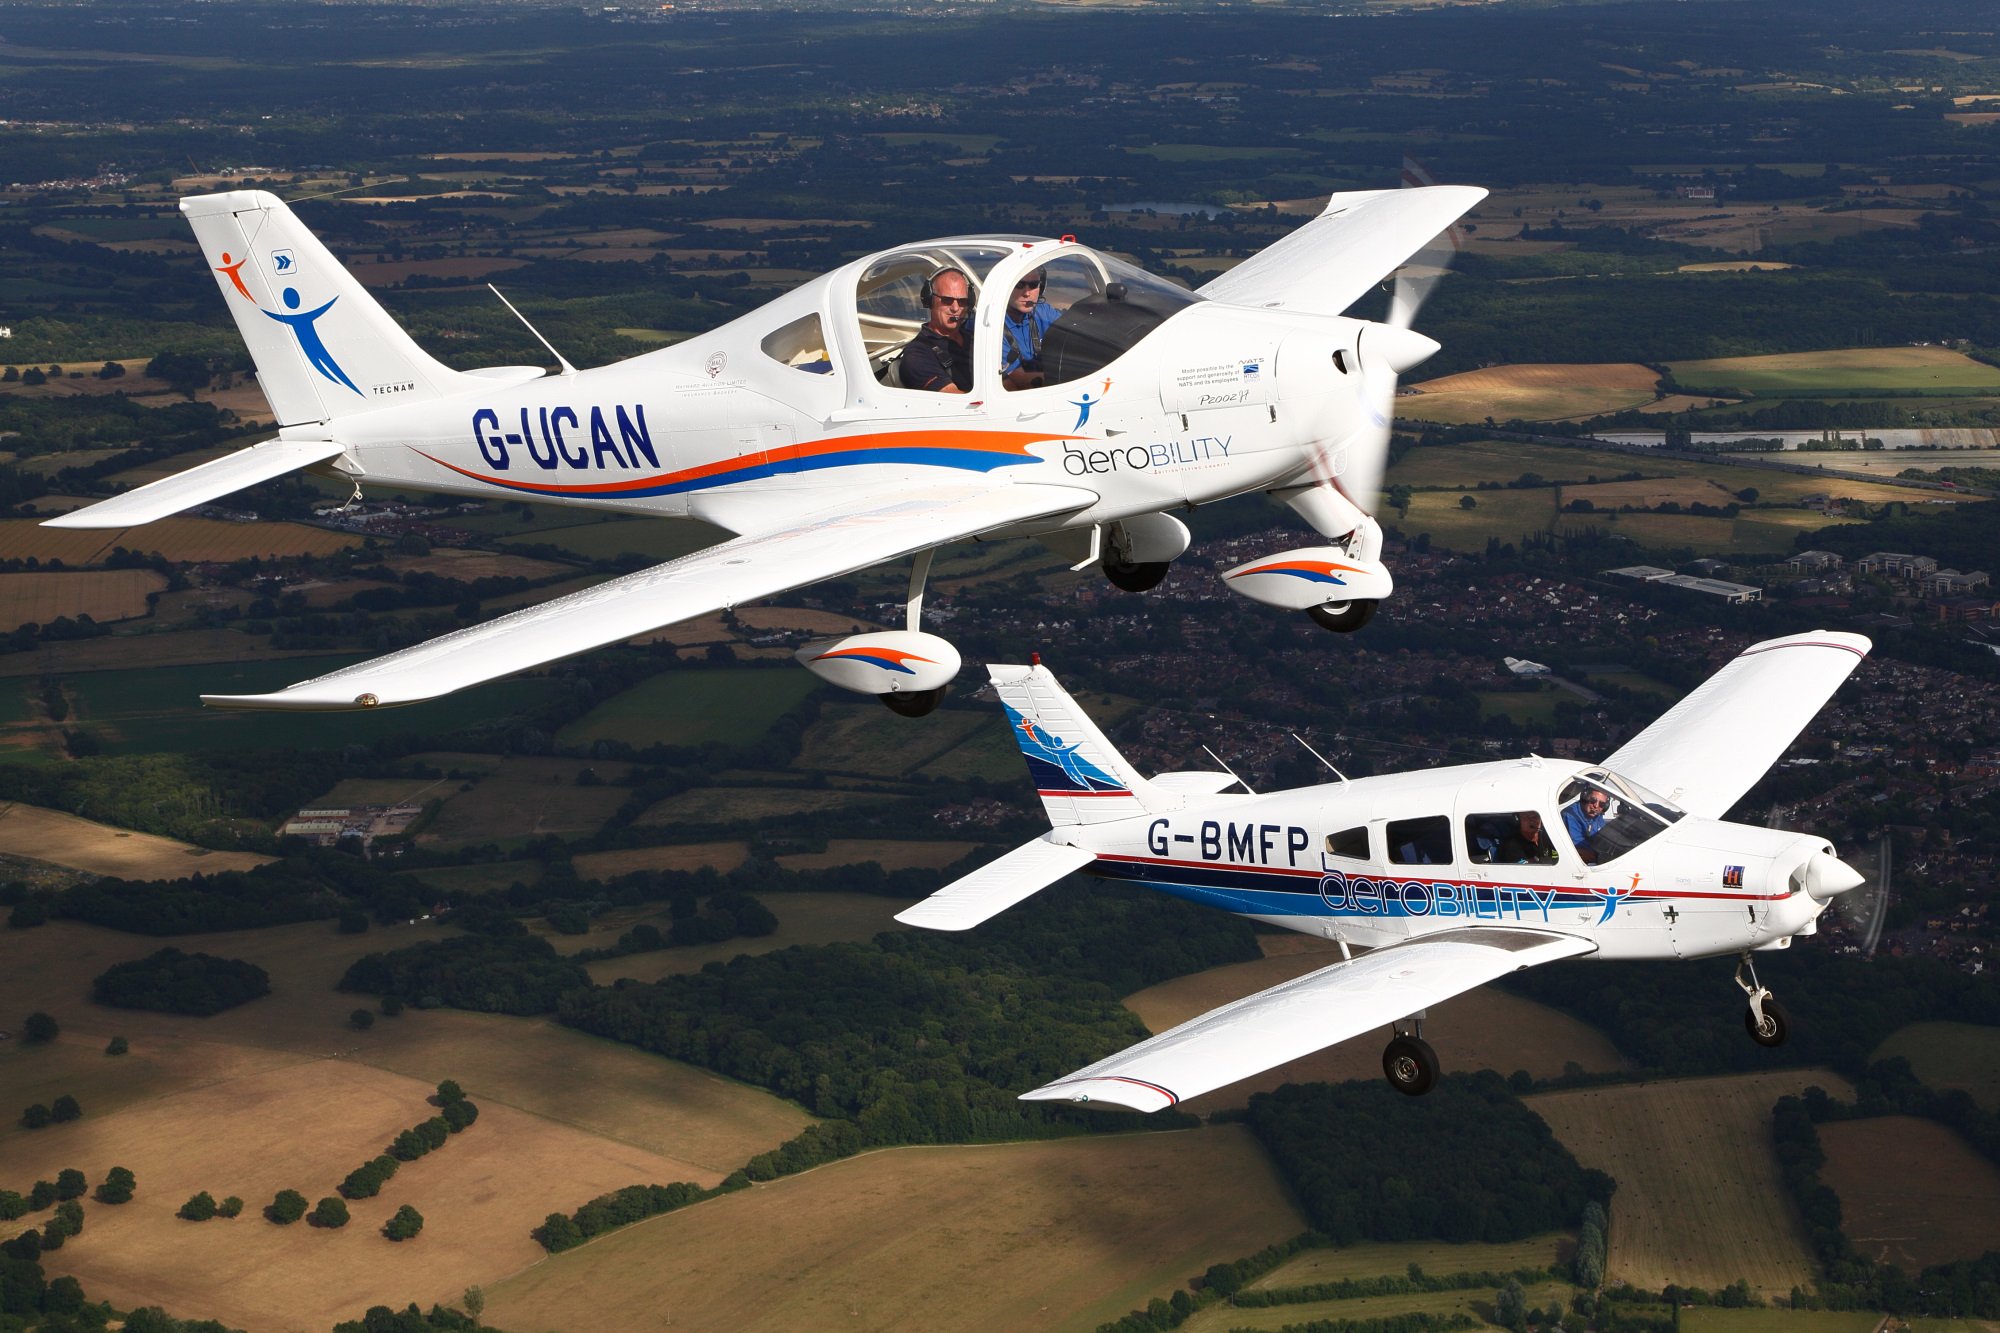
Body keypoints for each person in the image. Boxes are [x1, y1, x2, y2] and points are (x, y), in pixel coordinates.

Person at [899, 267, 975, 393]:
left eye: (962, 302)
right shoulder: (917, 354)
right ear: (929, 300)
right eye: (947, 300)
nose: (956, 308)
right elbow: (955, 400)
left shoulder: (973, 338)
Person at [1001, 269, 1058, 389]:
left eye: (1033, 285)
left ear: (1041, 288)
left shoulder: (1042, 311)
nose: (1027, 293)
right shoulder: (994, 325)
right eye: (1019, 285)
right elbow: (1020, 378)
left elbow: (1073, 329)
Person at [1564, 787, 1610, 864]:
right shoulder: (1571, 815)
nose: (1596, 806)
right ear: (1585, 798)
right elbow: (1579, 849)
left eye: (1601, 804)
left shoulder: (1597, 816)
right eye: (1593, 800)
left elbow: (1604, 836)